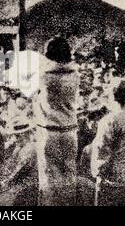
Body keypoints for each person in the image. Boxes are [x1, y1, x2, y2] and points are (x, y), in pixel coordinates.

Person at [33, 37, 80, 206]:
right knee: (69, 175)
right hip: (69, 129)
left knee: (48, 179)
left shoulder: (43, 75)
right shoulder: (75, 75)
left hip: (49, 130)